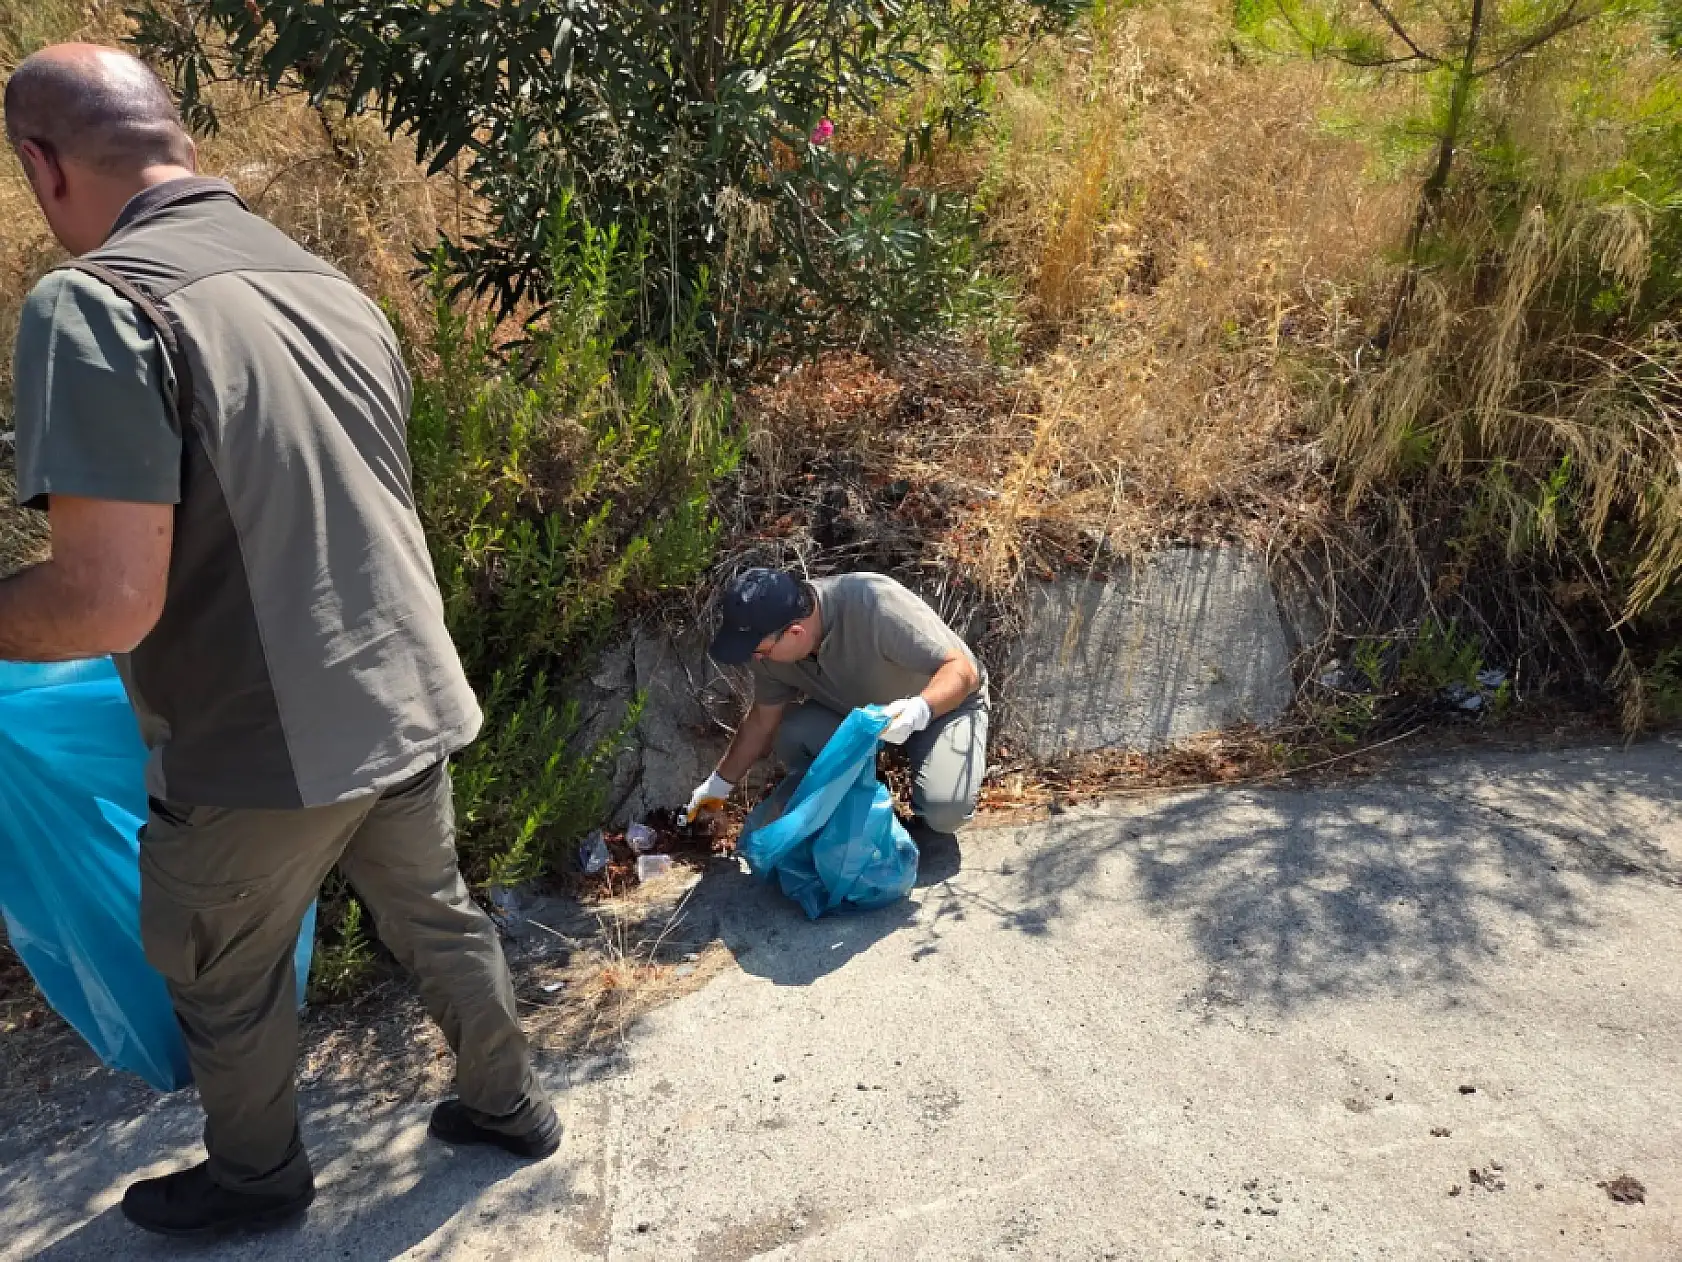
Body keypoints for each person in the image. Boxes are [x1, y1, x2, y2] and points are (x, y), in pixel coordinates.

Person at [0, 45, 557, 1238]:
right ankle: (510, 1104)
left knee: (222, 969)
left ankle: (258, 1180)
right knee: (438, 916)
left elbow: (104, 602)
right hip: (404, 690)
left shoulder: (94, 303)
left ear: (42, 167)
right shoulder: (321, 280)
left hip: (260, 743)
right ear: (181, 141)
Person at [689, 567, 988, 837]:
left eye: (761, 651)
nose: (756, 659)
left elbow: (963, 671)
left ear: (795, 633)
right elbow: (761, 722)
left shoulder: (875, 604)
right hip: (864, 720)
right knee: (792, 731)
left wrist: (919, 710)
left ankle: (916, 824)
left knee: (945, 810)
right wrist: (718, 786)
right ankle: (863, 800)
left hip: (944, 707)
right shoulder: (769, 650)